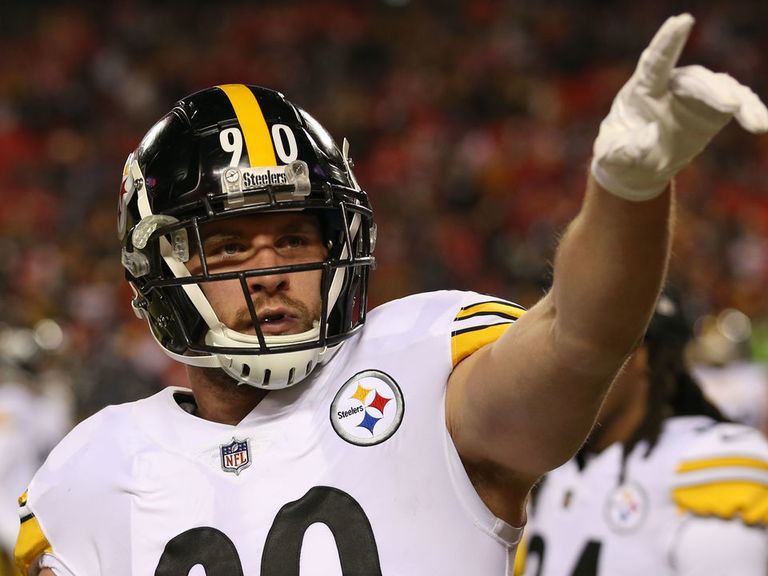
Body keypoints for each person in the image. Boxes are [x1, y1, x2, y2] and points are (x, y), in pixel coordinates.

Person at [14, 13, 768, 576]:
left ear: (339, 244)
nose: (270, 268)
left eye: (296, 239)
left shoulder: (423, 370)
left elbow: (581, 336)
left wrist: (625, 193)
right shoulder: (92, 470)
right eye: (232, 245)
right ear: (162, 267)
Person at [516, 289, 768, 576]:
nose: (564, 368)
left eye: (584, 345)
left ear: (641, 355)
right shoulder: (552, 462)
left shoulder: (708, 460)